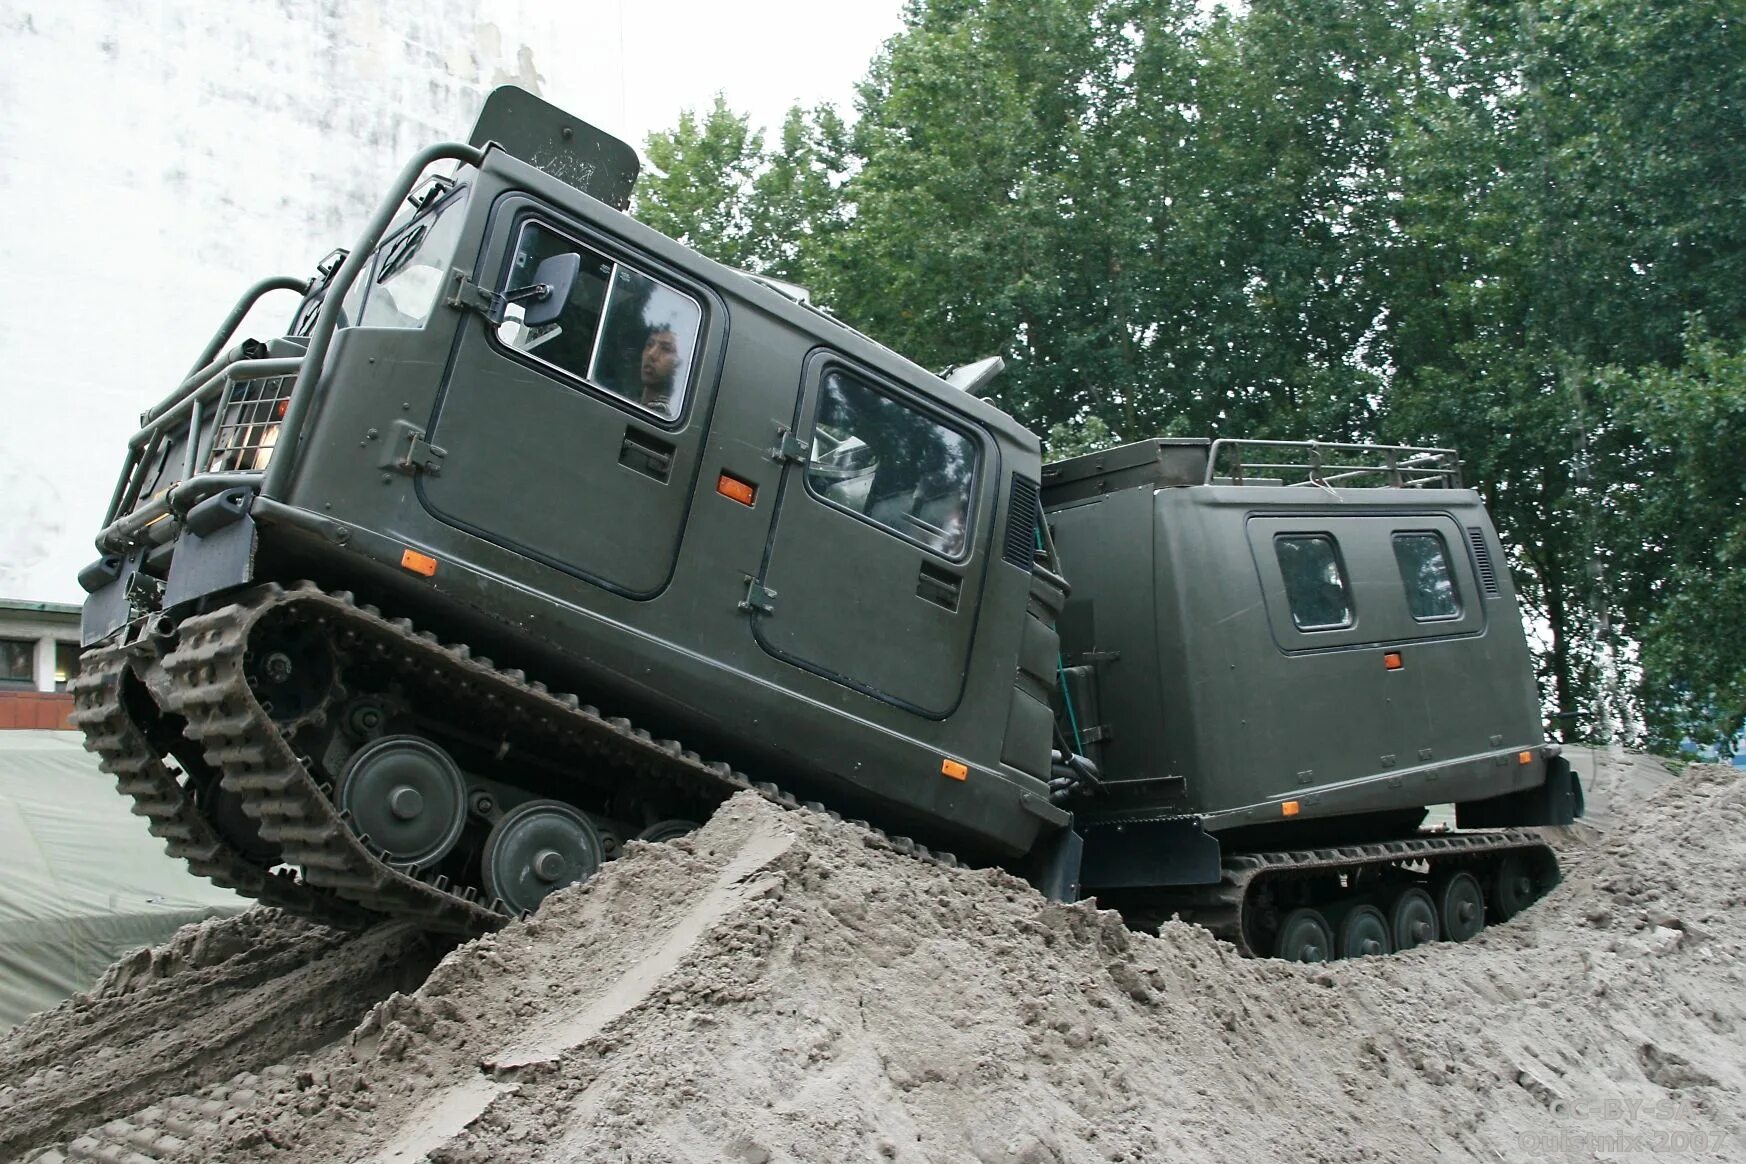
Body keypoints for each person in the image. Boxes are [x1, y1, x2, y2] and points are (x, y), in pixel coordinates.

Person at [636, 324, 682, 416]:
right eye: (649, 344)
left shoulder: (671, 417)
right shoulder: (626, 398)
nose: (651, 354)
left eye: (665, 349)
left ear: (679, 364)